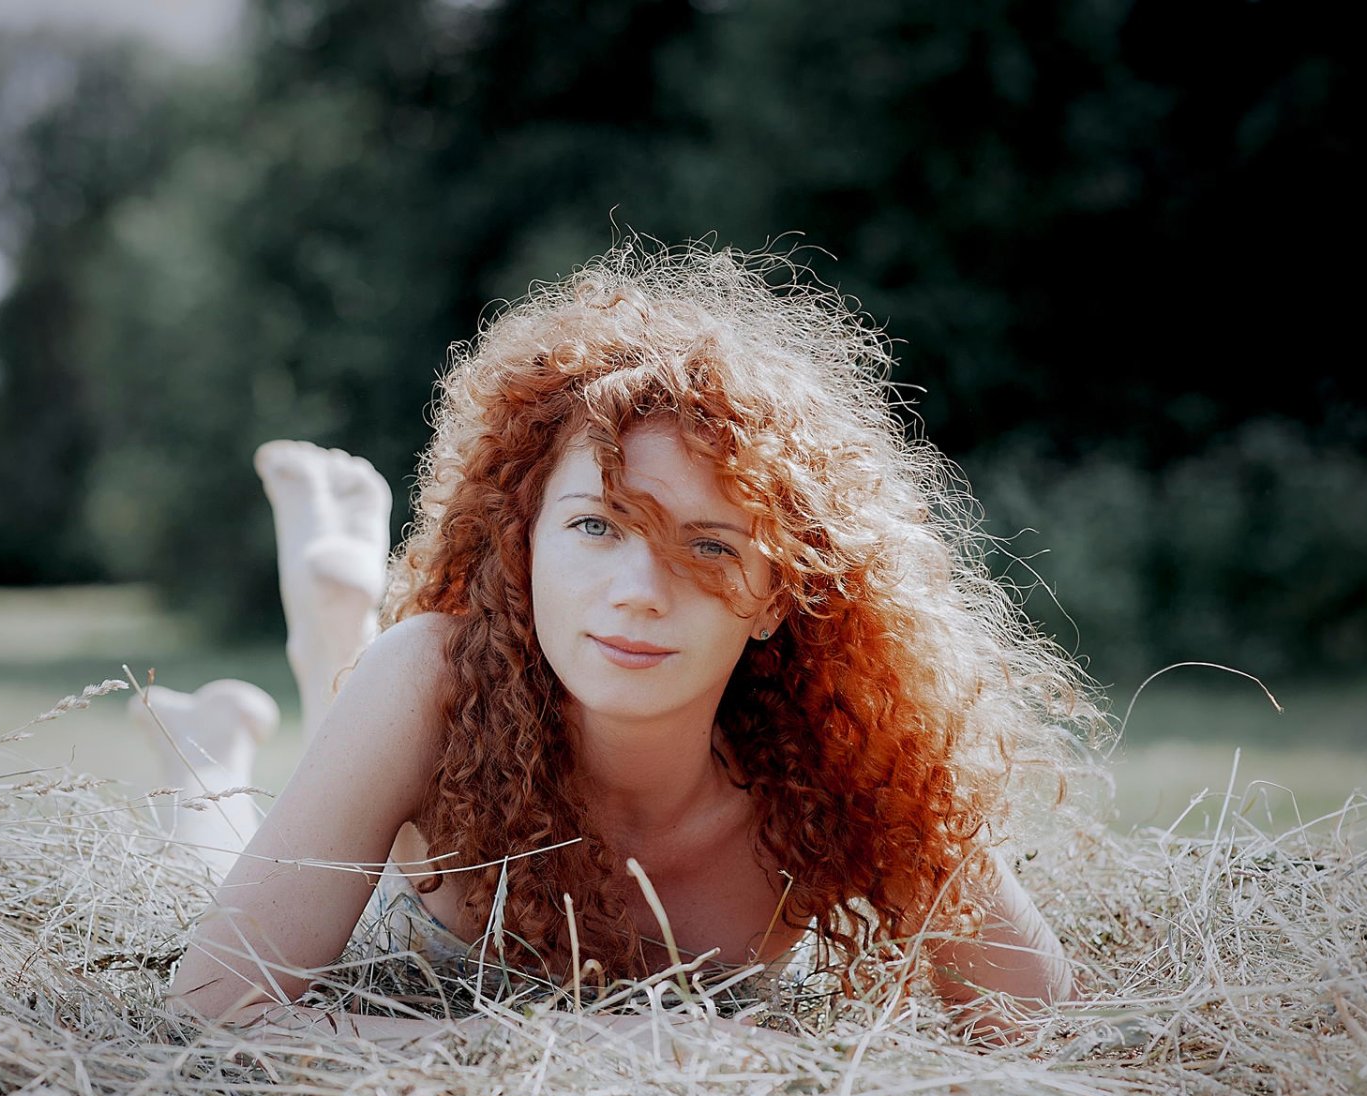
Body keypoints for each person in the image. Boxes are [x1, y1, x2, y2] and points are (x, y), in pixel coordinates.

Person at [151, 245, 1096, 1046]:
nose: (641, 594)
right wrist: (629, 1052)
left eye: (711, 545)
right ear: (522, 548)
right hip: (422, 803)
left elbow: (1047, 1031)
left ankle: (296, 666)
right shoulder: (434, 674)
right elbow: (211, 1012)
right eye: (599, 528)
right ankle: (224, 742)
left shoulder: (851, 755)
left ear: (780, 594)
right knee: (215, 853)